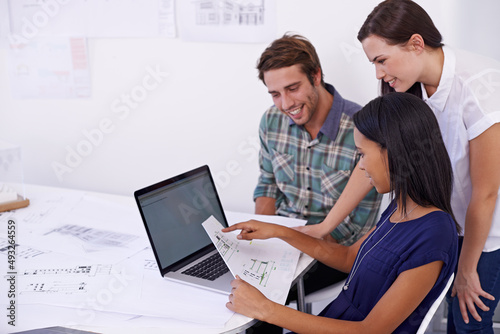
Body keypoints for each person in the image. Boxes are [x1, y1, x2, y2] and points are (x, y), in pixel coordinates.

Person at [224, 92, 459, 333]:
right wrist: (280, 232)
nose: (361, 165)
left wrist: (266, 309)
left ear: (394, 152)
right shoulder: (401, 207)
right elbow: (349, 258)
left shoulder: (434, 235)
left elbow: (371, 331)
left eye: (363, 154)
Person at [355, 1, 500, 332]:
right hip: (447, 224)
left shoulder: (479, 87)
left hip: (488, 232)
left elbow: (487, 193)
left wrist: (467, 268)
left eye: (381, 60)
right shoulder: (412, 88)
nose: (378, 73)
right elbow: (372, 158)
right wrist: (323, 229)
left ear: (416, 44)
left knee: (468, 323)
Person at [253, 34, 382, 311]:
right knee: (242, 280)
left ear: (316, 75)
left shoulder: (361, 128)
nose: (285, 103)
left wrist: (296, 246)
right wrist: (265, 242)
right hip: (284, 241)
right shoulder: (271, 121)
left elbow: (357, 224)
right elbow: (267, 185)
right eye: (275, 94)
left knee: (263, 289)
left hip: (335, 251)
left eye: (293, 88)